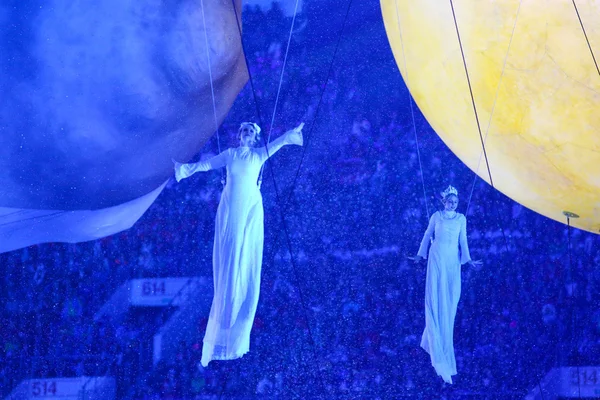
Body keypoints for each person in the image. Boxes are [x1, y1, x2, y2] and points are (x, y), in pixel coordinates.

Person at [173, 121, 304, 367]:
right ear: (239, 136)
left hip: (250, 206)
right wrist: (184, 170)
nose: (246, 134)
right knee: (231, 257)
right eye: (243, 131)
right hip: (233, 206)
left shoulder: (257, 155)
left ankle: (237, 324)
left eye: (250, 132)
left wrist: (292, 134)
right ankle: (224, 319)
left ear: (254, 138)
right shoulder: (231, 154)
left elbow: (280, 143)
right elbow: (206, 165)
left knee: (245, 256)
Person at [413, 185, 481, 384]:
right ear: (444, 201)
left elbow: (463, 240)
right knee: (435, 296)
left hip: (452, 261)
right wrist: (420, 255)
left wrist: (468, 260)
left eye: (455, 202)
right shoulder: (436, 216)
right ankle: (435, 338)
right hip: (436, 258)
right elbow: (427, 235)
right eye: (450, 201)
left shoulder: (461, 219)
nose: (452, 204)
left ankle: (443, 346)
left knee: (450, 300)